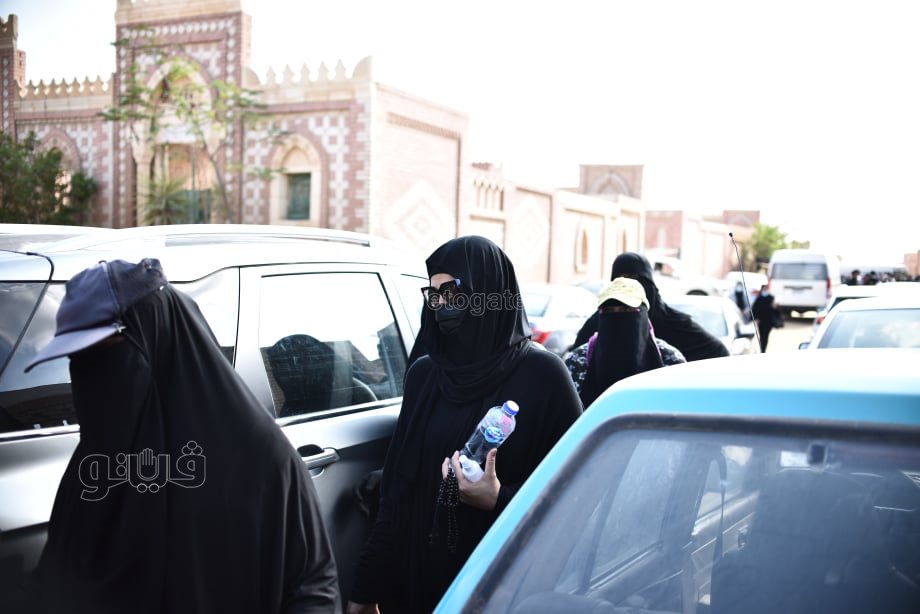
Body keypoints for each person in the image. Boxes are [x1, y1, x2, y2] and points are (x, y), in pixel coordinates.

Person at [25, 259, 339, 613]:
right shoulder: (99, 460)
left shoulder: (259, 458)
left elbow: (312, 586)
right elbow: (55, 580)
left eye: (102, 354)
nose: (90, 375)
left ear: (155, 337)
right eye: (77, 359)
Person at [347, 236, 583, 613]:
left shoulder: (543, 376)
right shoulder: (426, 375)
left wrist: (497, 498)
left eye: (452, 292)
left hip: (501, 583)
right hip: (418, 579)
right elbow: (398, 491)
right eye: (434, 294)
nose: (442, 305)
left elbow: (577, 491)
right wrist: (365, 588)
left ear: (488, 293)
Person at [571, 252, 730, 361]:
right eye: (621, 280)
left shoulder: (675, 333)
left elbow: (719, 353)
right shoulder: (598, 324)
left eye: (634, 279)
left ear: (649, 285)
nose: (629, 287)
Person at [564, 277, 666, 408]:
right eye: (609, 311)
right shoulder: (578, 361)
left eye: (626, 310)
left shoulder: (670, 361)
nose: (617, 318)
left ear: (644, 313)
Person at [750, 283, 782, 352]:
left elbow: (777, 311)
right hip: (761, 322)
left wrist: (775, 307)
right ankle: (762, 349)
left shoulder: (771, 298)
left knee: (766, 336)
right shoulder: (759, 298)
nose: (765, 291)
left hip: (769, 322)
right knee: (761, 336)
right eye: (764, 289)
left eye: (766, 289)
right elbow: (754, 309)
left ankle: (763, 349)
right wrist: (756, 318)